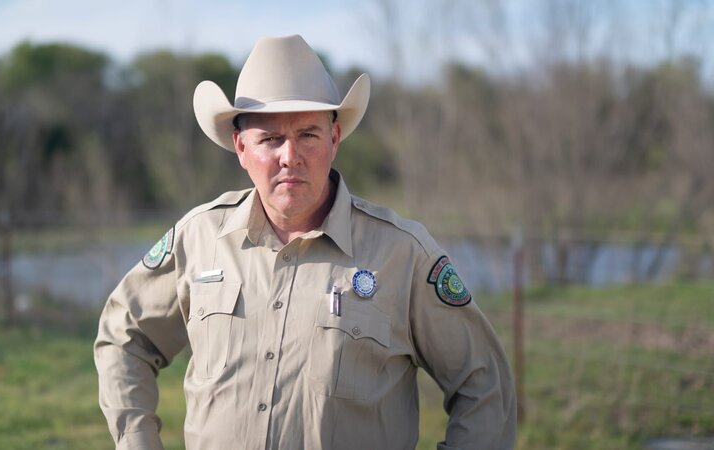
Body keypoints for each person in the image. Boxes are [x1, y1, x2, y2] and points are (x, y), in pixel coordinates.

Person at [95, 34, 516, 450]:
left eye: (308, 135)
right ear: (241, 147)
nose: (289, 156)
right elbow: (123, 338)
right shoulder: (199, 238)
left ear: (334, 140)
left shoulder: (403, 253)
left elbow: (484, 384)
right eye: (270, 138)